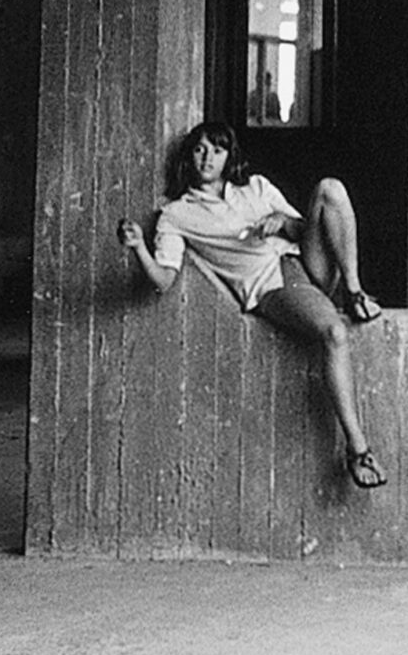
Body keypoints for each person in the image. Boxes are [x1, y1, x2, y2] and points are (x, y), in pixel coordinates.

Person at [116, 122, 389, 489]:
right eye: (199, 149)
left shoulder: (256, 187)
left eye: (217, 150)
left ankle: (354, 291)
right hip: (273, 286)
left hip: (305, 264)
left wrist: (283, 221)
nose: (208, 158)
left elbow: (309, 229)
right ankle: (358, 449)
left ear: (229, 157)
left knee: (331, 190)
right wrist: (138, 248)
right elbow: (163, 280)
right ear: (188, 157)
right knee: (334, 333)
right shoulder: (177, 214)